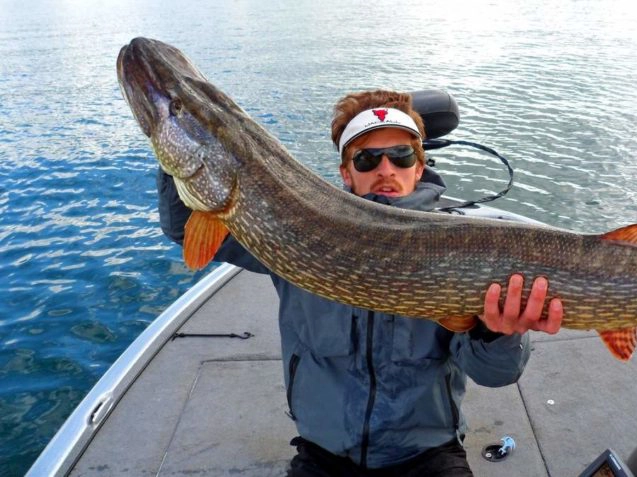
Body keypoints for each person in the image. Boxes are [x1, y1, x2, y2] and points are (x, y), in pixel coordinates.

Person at [157, 89, 563, 476]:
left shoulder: (461, 247)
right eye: (367, 160)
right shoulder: (294, 230)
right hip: (324, 455)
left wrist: (497, 333)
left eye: (401, 156)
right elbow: (183, 226)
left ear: (419, 168)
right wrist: (176, 148)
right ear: (346, 174)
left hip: (428, 454)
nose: (386, 169)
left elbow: (497, 374)